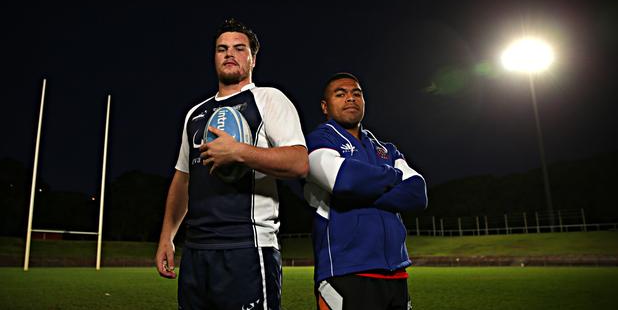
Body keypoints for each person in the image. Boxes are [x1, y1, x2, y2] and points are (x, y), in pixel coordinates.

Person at [155, 18, 309, 310]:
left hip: (247, 248)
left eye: (239, 48)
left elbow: (299, 162)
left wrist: (240, 152)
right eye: (221, 48)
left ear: (252, 58)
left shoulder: (268, 99)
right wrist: (167, 237)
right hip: (197, 252)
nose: (229, 53)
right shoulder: (195, 114)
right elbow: (182, 179)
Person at [303, 72, 428, 310]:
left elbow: (417, 194)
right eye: (340, 94)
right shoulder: (317, 141)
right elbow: (345, 182)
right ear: (325, 106)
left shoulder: (385, 148)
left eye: (356, 93)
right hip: (345, 272)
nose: (350, 98)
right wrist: (394, 175)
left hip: (396, 273)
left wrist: (363, 190)